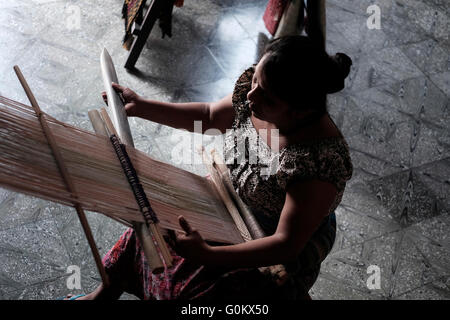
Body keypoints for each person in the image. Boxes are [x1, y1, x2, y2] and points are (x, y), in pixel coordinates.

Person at [64, 35, 353, 300]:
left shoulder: (318, 164)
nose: (251, 96)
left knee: (187, 292)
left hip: (269, 238)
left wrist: (209, 255)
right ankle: (103, 294)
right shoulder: (261, 87)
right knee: (147, 225)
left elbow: (285, 243)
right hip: (228, 197)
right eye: (255, 83)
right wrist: (142, 106)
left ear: (301, 110)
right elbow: (210, 116)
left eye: (266, 96)